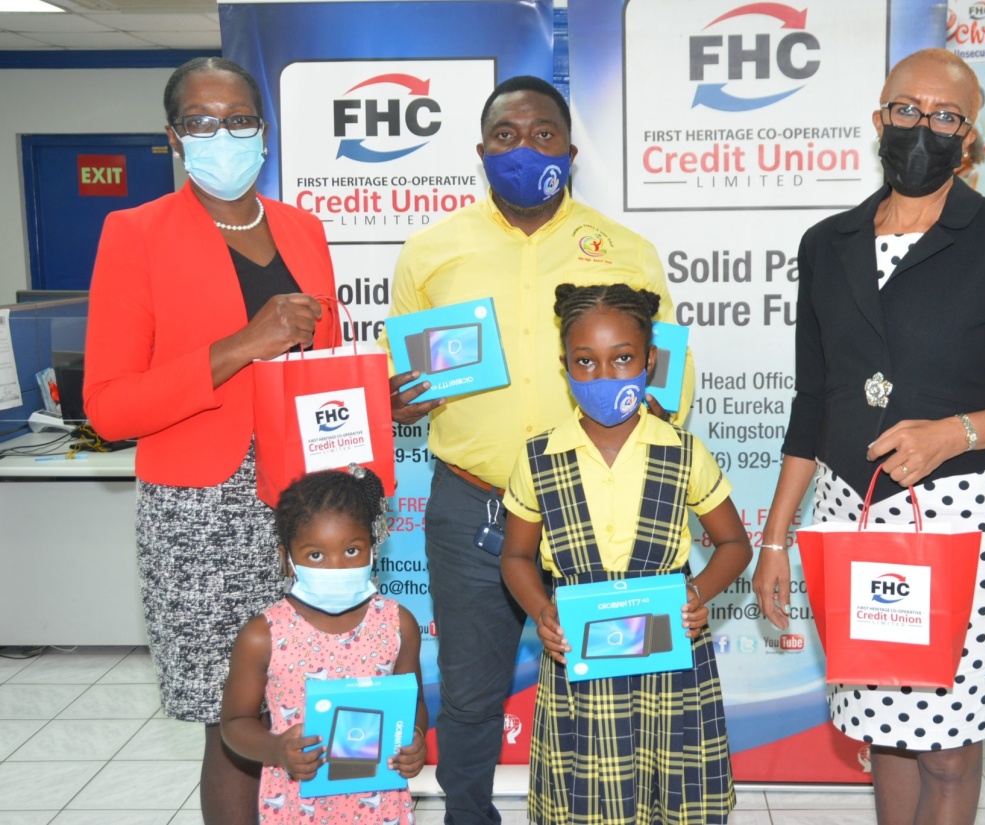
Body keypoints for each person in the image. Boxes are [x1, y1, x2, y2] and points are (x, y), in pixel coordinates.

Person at [750, 48, 985, 825]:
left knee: (948, 742)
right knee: (882, 732)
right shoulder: (827, 243)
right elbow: (814, 400)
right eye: (907, 109)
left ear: (969, 139)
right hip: (853, 514)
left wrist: (956, 433)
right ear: (879, 118)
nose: (923, 127)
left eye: (945, 116)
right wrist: (774, 542)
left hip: (961, 518)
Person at [381, 75, 692, 825]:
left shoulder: (627, 251)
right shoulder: (430, 251)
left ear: (572, 151)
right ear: (482, 151)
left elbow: (669, 385)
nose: (525, 148)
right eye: (507, 136)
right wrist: (393, 398)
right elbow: (399, 379)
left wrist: (649, 398)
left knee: (609, 686)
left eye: (543, 134)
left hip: (592, 503)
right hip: (471, 503)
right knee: (468, 691)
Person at [84, 57, 340, 824]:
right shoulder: (134, 233)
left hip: (313, 504)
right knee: (235, 720)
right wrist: (244, 343)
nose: (221, 133)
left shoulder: (303, 228)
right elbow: (109, 408)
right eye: (200, 120)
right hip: (202, 515)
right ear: (173, 137)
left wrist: (374, 399)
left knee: (317, 703)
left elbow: (321, 364)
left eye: (238, 119)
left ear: (264, 131)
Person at [500, 283, 750, 825]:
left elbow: (734, 544)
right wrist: (541, 609)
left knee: (675, 792)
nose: (605, 376)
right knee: (589, 800)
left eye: (623, 359)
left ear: (649, 361)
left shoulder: (682, 451)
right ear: (564, 365)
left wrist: (696, 593)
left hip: (671, 656)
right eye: (585, 362)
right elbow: (516, 557)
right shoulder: (539, 458)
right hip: (579, 660)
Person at [221, 465, 427, 823]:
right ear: (287, 559)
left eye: (352, 551)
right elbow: (235, 722)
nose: (336, 566)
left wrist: (416, 737)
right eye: (316, 555)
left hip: (379, 804)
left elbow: (414, 702)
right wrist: (277, 748)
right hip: (298, 802)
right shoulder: (262, 636)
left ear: (373, 548)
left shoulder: (397, 624)